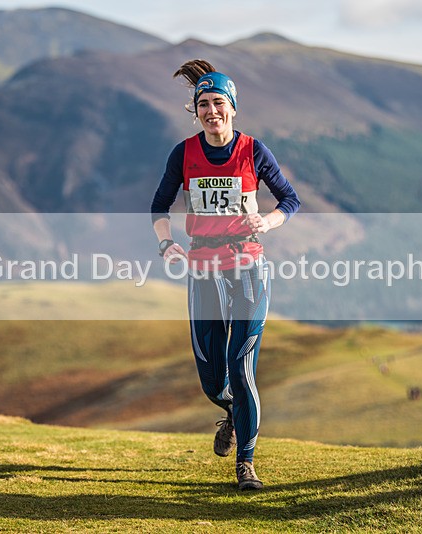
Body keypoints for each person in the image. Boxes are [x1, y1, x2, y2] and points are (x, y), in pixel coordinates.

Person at [150, 59, 300, 491]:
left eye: (218, 103)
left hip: (249, 268)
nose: (211, 111)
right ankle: (231, 411)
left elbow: (289, 199)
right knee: (213, 380)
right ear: (194, 110)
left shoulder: (253, 150)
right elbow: (159, 207)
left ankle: (246, 464)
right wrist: (166, 242)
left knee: (242, 367)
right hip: (203, 271)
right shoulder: (184, 153)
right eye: (203, 104)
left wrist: (267, 223)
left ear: (232, 108)